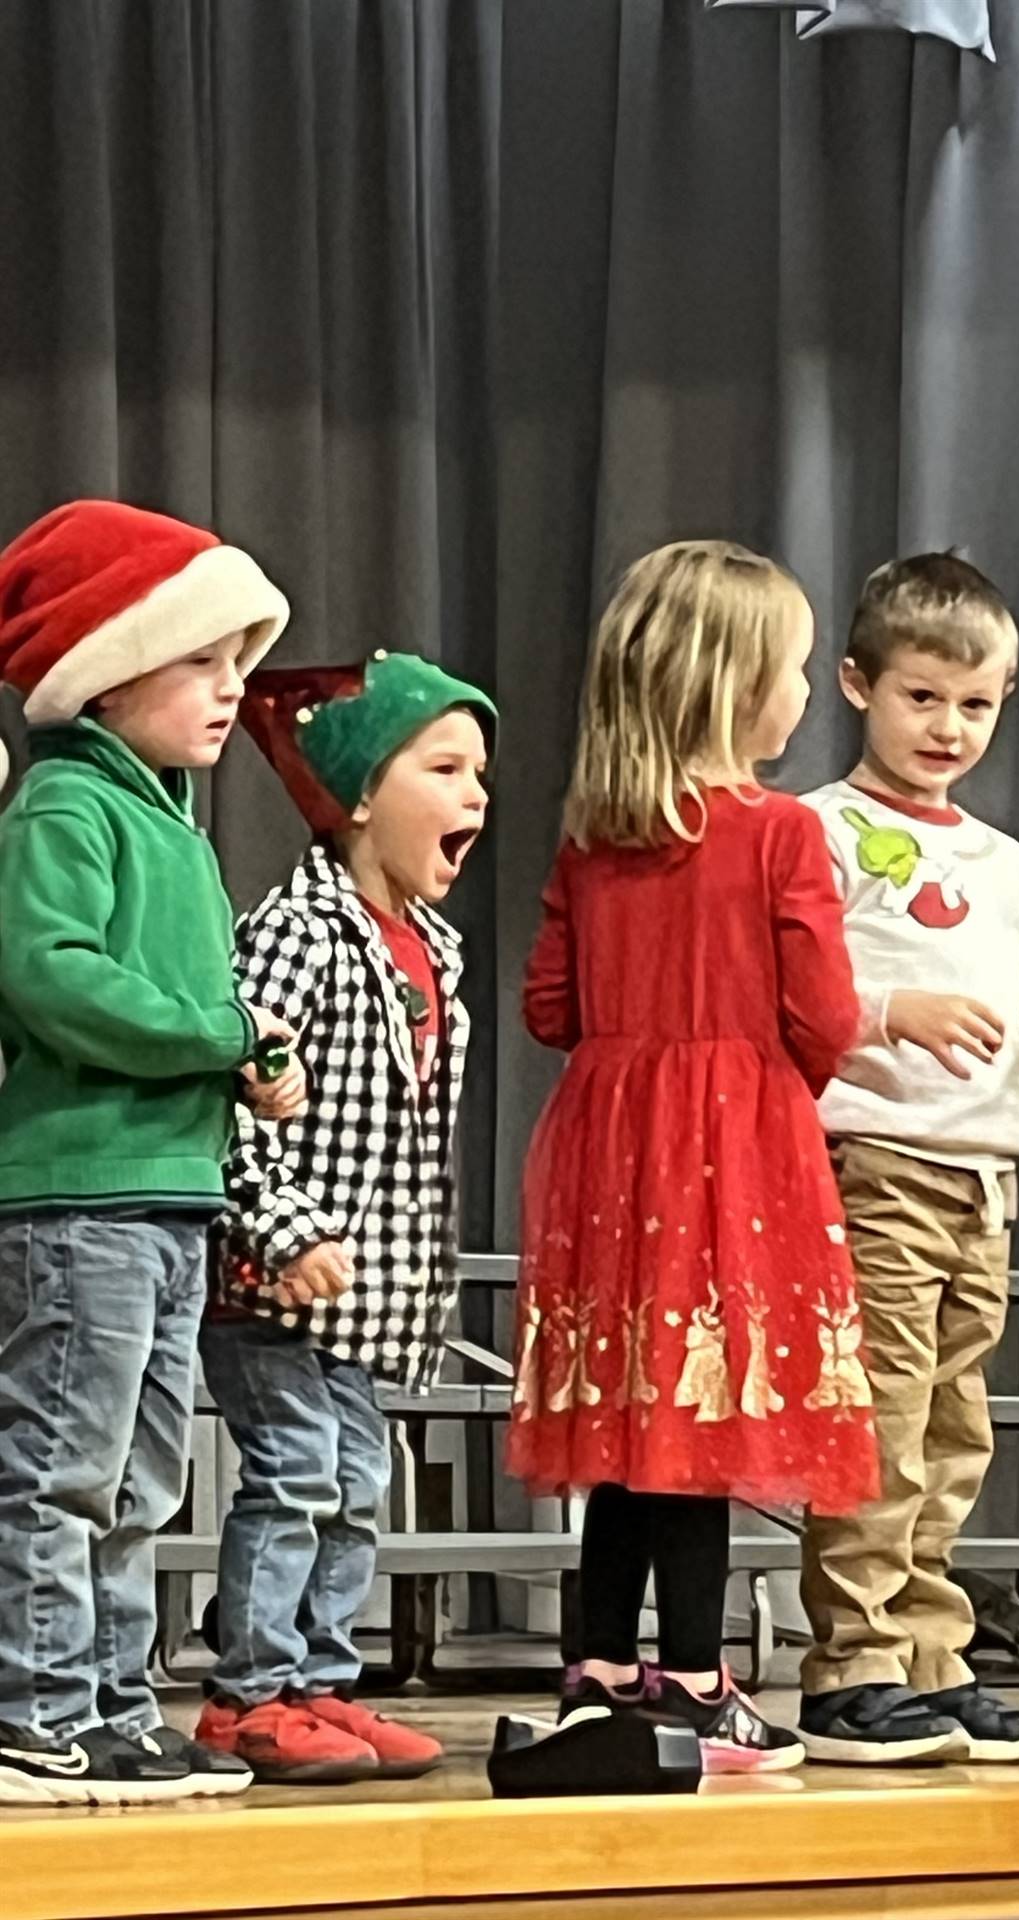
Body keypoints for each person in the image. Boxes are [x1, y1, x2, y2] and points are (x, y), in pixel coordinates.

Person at [507, 539, 879, 1776]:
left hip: (606, 1154)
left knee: (626, 1419)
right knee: (701, 1423)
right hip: (736, 1150)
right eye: (796, 668)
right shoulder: (778, 834)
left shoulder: (590, 841)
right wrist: (756, 1091)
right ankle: (699, 1685)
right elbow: (823, 1017)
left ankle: (599, 1668)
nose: (807, 692)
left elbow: (550, 1010)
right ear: (734, 686)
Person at [0, 499, 302, 1806]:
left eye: (239, 657)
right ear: (107, 665)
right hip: (78, 1198)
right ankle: (33, 1706)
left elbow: (181, 1003)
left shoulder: (171, 820)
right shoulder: (67, 808)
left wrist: (244, 1058)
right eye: (201, 657)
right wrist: (219, 1030)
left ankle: (116, 1703)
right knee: (63, 1463)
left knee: (140, 1476)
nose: (232, 685)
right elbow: (51, 979)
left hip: (165, 1198)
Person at [797, 553, 1019, 1765]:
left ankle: (932, 1653)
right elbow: (812, 996)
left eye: (974, 704)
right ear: (858, 685)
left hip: (985, 1173)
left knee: (952, 1427)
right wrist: (895, 1013)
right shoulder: (821, 830)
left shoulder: (1003, 859)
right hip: (876, 1160)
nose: (948, 727)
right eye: (921, 697)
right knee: (877, 1419)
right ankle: (853, 1664)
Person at [194, 651, 497, 1783]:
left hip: (364, 1294)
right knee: (299, 1471)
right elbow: (236, 1100)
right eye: (448, 768)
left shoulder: (432, 949)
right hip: (273, 1285)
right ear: (363, 794)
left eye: (483, 774)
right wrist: (283, 1229)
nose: (477, 796)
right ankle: (250, 1694)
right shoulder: (296, 932)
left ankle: (321, 1680)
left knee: (358, 1478)